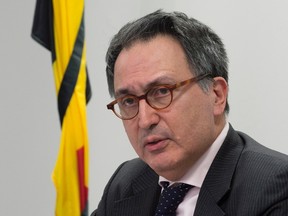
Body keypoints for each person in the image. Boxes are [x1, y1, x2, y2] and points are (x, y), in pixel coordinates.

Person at [91, 10, 288, 216]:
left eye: (161, 92)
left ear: (217, 95)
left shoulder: (275, 188)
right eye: (129, 101)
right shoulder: (125, 183)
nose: (145, 120)